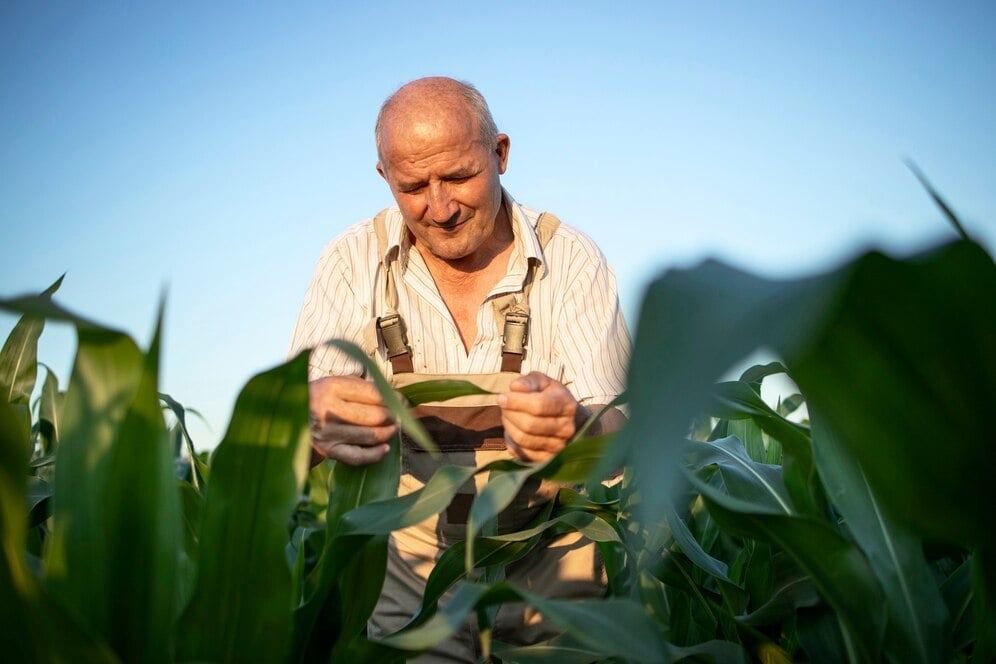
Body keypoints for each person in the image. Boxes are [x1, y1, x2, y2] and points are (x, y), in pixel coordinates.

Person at [288, 76, 630, 662]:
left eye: (459, 177)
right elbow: (289, 437)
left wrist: (576, 427)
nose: (440, 208)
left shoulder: (571, 258)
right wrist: (306, 416)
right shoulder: (350, 263)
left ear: (500, 154)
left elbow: (627, 428)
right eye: (413, 186)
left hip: (553, 558)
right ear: (383, 178)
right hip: (409, 572)